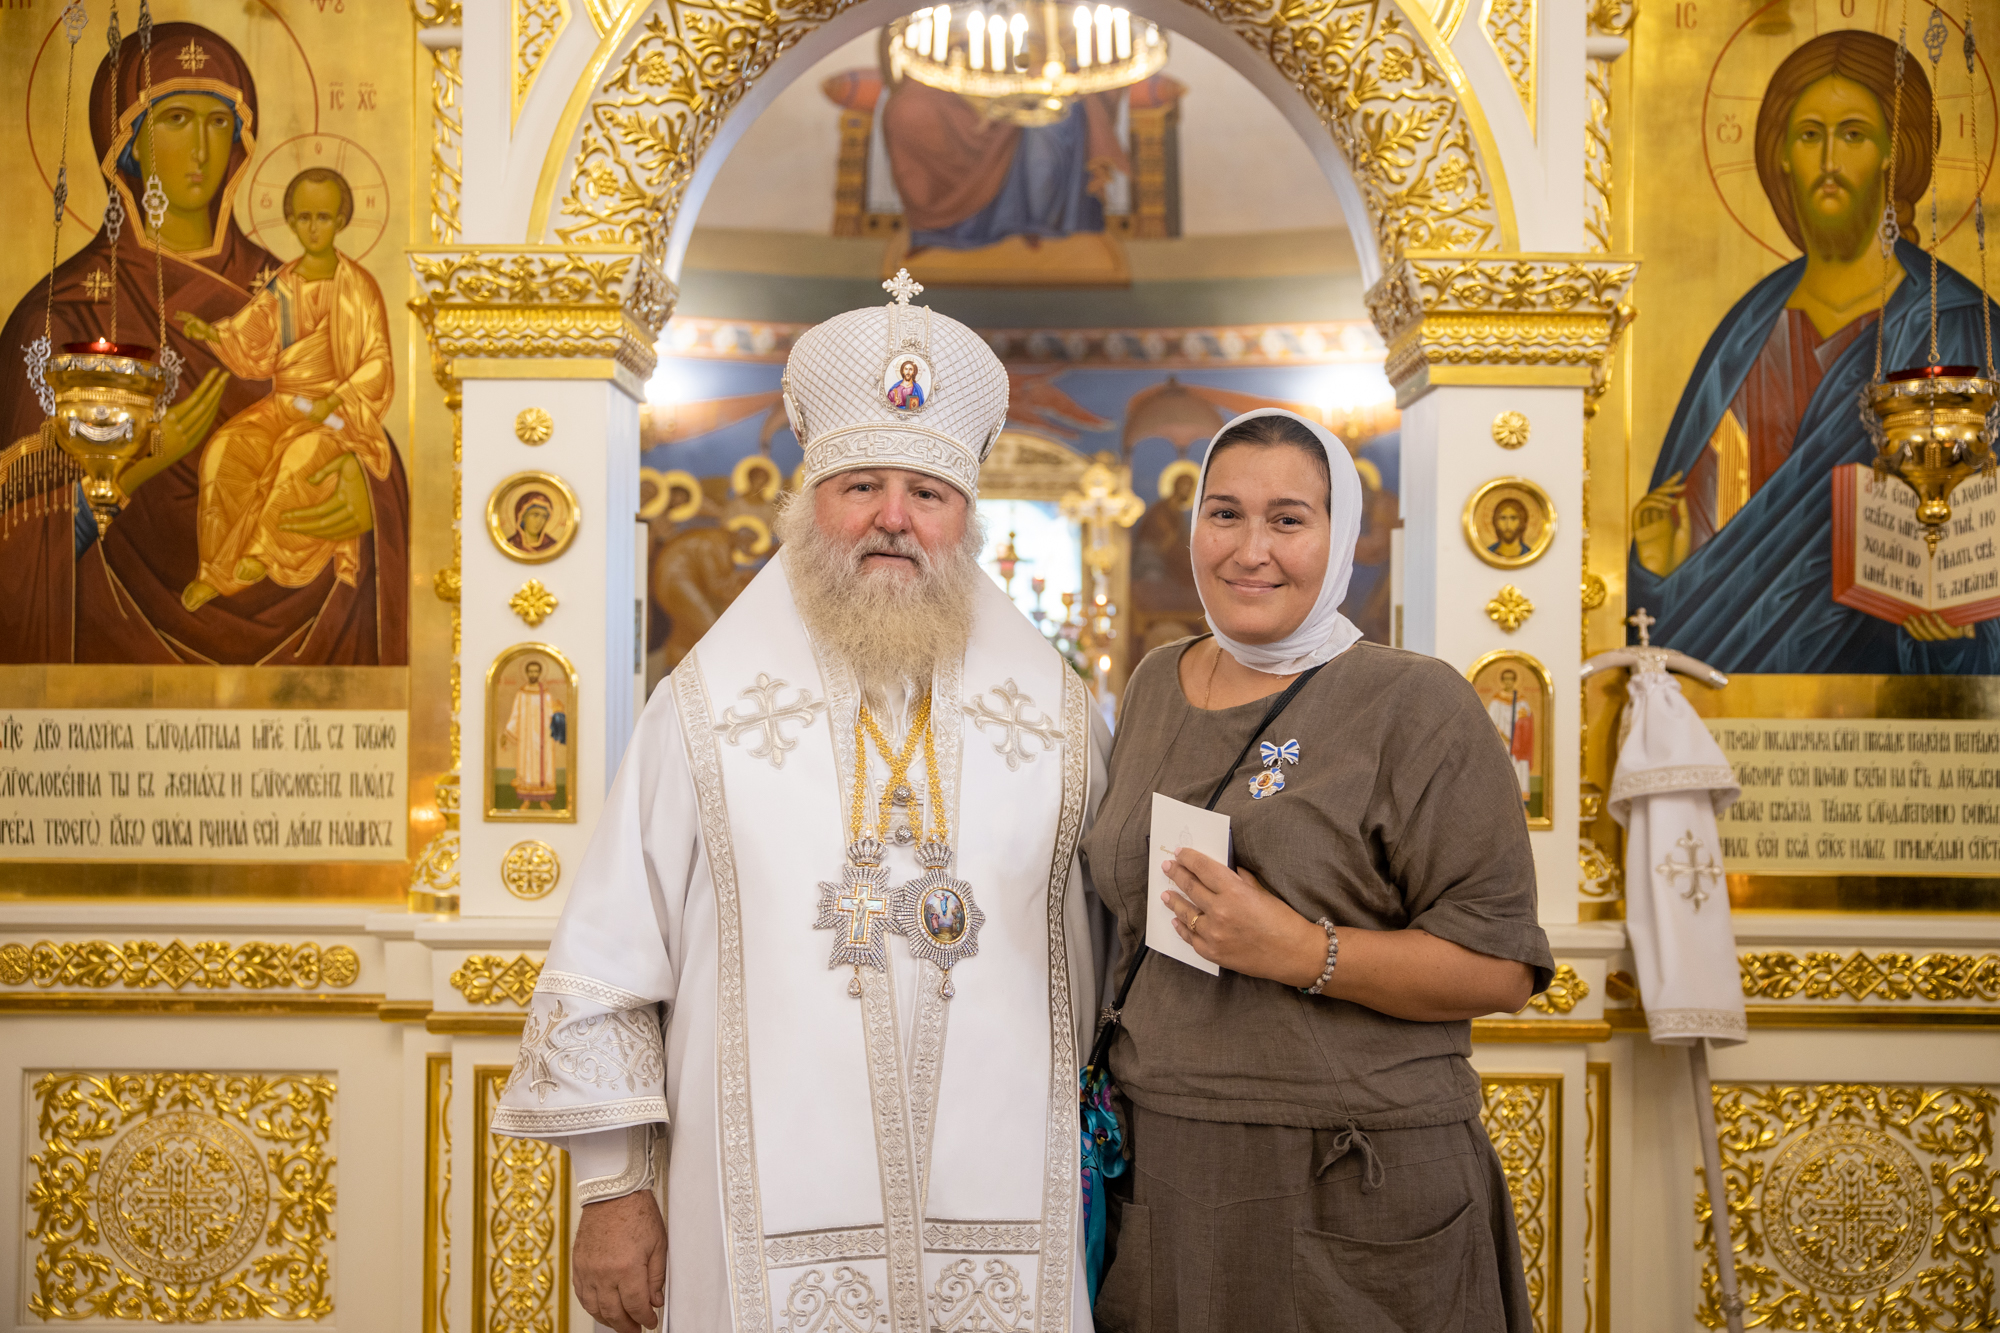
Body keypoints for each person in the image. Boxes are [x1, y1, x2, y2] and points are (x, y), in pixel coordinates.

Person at [493, 277, 1110, 1333]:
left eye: (926, 493)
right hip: (753, 1206)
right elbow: (608, 959)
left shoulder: (1059, 720)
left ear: (964, 519)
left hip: (1006, 1193)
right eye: (860, 485)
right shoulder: (704, 709)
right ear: (809, 502)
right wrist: (612, 1188)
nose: (893, 519)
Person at [1087, 409, 1553, 1332]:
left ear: (1341, 539)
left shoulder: (1416, 703)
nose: (1250, 549)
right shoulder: (1152, 684)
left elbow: (1503, 967)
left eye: (1288, 519)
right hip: (1166, 1166)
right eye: (1224, 513)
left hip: (1349, 1177)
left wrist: (1303, 949)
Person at [0, 23, 408, 664]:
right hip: (114, 653)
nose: (200, 148)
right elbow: (18, 537)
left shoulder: (293, 284)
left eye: (219, 123)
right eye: (175, 119)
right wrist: (141, 463)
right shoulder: (63, 311)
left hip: (309, 635)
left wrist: (369, 496)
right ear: (126, 144)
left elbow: (360, 392)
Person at [1628, 30, 2000, 673]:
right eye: (1808, 135)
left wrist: (1960, 640)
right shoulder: (1747, 328)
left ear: (1893, 154)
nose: (1829, 159)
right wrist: (1654, 568)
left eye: (1853, 134)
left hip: (1891, 683)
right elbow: (1703, 536)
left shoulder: (1959, 323)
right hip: (1722, 687)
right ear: (1780, 156)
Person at [175, 168, 396, 612]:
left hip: (339, 417)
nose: (314, 228)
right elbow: (254, 342)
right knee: (225, 451)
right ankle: (214, 572)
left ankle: (263, 553)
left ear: (340, 221)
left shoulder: (358, 288)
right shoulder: (285, 286)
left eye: (324, 217)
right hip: (285, 403)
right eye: (305, 218)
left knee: (300, 457)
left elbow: (378, 362)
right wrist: (213, 334)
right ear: (292, 222)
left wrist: (338, 398)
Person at [502, 659, 566, 811]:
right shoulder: (521, 693)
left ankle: (544, 800)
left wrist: (558, 713)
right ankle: (526, 800)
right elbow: (515, 715)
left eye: (535, 671)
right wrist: (506, 733)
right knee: (526, 766)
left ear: (539, 673)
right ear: (526, 673)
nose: (533, 674)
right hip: (526, 738)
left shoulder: (546, 694)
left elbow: (552, 715)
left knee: (544, 765)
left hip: (544, 739)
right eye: (530, 671)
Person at [1485, 667, 1534, 807]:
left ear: (1514, 680)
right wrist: (1504, 737)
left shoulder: (1521, 700)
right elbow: (1490, 722)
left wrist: (1519, 736)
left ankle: (1522, 805)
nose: (1508, 682)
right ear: (1502, 681)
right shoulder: (1496, 701)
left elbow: (1527, 721)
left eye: (1511, 679)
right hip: (1502, 741)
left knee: (1519, 769)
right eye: (1505, 679)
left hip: (1518, 745)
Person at [506, 491, 560, 556]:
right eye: (535, 514)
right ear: (522, 516)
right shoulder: (510, 544)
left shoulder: (552, 545)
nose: (539, 521)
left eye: (544, 516)